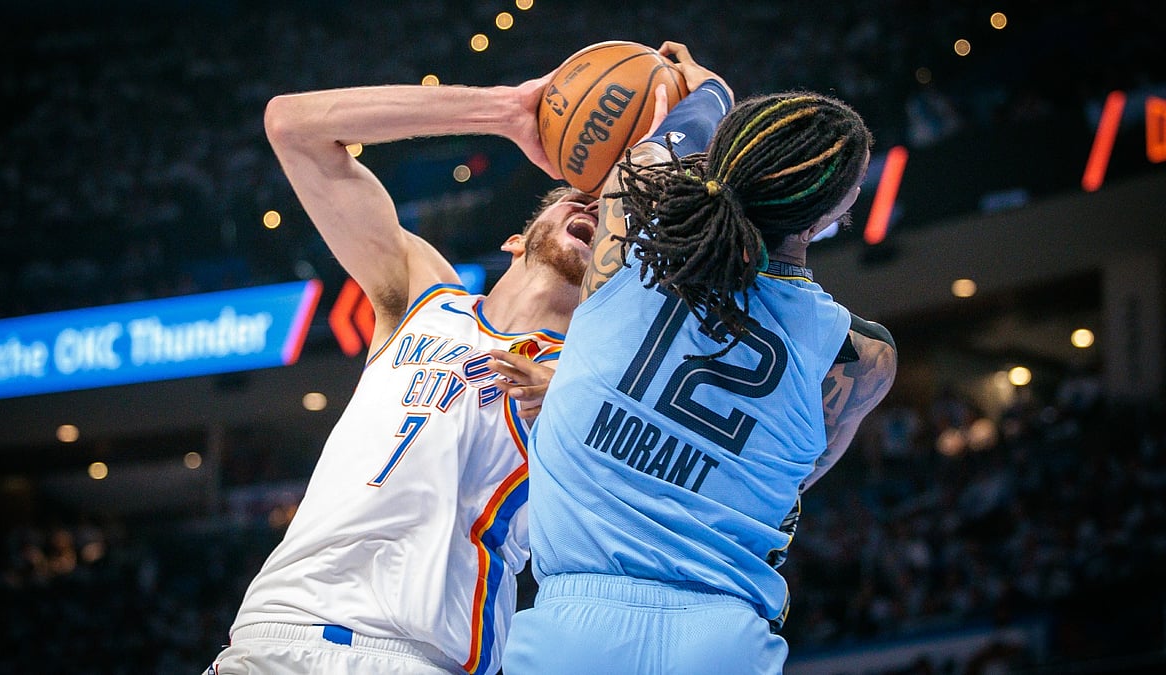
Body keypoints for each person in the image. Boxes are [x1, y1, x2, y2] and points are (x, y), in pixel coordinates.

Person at [498, 42, 899, 674]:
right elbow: (784, 482)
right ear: (831, 213)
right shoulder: (860, 357)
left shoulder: (627, 235)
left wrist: (704, 81)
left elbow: (680, 125)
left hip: (574, 624)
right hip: (723, 636)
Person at [204, 66, 601, 674]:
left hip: (422, 655)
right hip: (275, 634)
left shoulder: (599, 375)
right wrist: (504, 110)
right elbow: (293, 126)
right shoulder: (423, 294)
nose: (592, 210)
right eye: (578, 199)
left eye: (609, 219)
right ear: (517, 241)